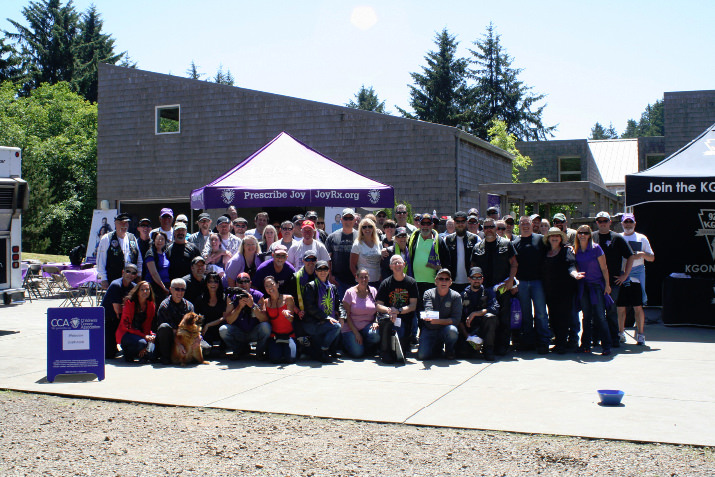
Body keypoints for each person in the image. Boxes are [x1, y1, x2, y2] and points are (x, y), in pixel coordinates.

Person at [470, 217, 517, 356]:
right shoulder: (477, 247)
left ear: (496, 228)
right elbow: (472, 267)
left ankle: (502, 346)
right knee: (487, 318)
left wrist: (511, 280)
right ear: (482, 229)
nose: (489, 229)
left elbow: (514, 263)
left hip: (502, 287)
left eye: (491, 226)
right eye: (486, 227)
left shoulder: (506, 244)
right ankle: (487, 344)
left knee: (504, 318)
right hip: (484, 289)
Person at [592, 211, 634, 348]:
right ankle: (597, 338)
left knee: (611, 311)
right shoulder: (592, 237)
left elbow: (631, 256)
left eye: (605, 221)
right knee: (597, 311)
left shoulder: (617, 238)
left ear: (610, 222)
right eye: (600, 221)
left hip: (614, 282)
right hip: (596, 281)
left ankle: (613, 338)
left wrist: (625, 275)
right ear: (597, 223)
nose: (603, 223)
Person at [512, 216, 549, 354]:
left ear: (532, 224)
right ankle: (528, 341)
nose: (525, 226)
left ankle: (544, 341)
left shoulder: (540, 239)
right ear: (519, 225)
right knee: (526, 314)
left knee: (540, 313)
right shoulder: (515, 242)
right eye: (522, 224)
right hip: (522, 282)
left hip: (538, 282)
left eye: (527, 223)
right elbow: (513, 264)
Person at [574, 224, 612, 356]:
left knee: (600, 316)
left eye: (585, 233)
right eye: (580, 233)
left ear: (590, 235)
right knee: (586, 316)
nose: (582, 235)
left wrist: (607, 285)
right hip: (583, 286)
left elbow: (604, 268)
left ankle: (606, 345)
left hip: (596, 286)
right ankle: (585, 345)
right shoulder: (576, 250)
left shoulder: (596, 248)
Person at [617, 212, 654, 346]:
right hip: (621, 273)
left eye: (630, 222)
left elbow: (652, 258)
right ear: (621, 224)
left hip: (637, 274)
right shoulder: (618, 237)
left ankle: (641, 334)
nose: (628, 224)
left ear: (634, 223)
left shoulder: (641, 238)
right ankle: (620, 332)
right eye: (625, 222)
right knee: (620, 306)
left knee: (638, 306)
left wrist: (642, 254)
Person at [542, 228, 579, 354]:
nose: (554, 238)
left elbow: (571, 265)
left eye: (557, 236)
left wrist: (574, 274)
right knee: (553, 318)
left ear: (561, 238)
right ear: (548, 238)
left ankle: (562, 345)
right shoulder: (545, 251)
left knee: (564, 318)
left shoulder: (566, 250)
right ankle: (558, 342)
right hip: (549, 291)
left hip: (564, 291)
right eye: (552, 236)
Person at [376, 255, 418, 361]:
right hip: (389, 317)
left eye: (399, 262)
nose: (397, 265)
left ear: (404, 264)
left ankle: (399, 349)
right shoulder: (386, 283)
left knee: (399, 351)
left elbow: (413, 305)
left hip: (405, 318)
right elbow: (378, 305)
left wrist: (398, 311)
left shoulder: (411, 282)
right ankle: (385, 351)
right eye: (394, 263)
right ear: (390, 266)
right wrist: (390, 311)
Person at [220, 273, 270, 360]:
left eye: (246, 281)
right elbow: (229, 321)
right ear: (236, 283)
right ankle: (239, 350)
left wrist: (253, 306)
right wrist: (239, 307)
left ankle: (259, 352)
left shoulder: (258, 295)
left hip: (254, 331)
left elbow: (264, 319)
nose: (243, 284)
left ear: (250, 283)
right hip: (239, 332)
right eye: (240, 282)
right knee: (223, 330)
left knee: (266, 327)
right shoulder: (231, 296)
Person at [302, 260, 341, 362]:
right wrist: (325, 317)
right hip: (313, 322)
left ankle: (331, 350)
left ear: (329, 271)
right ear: (315, 272)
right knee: (336, 326)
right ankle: (323, 350)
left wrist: (342, 315)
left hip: (326, 321)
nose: (323, 272)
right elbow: (309, 307)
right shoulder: (310, 286)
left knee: (338, 322)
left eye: (325, 269)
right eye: (320, 269)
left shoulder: (332, 287)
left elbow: (339, 304)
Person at [418, 269, 461, 360]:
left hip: (446, 329)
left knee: (452, 330)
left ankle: (449, 350)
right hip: (430, 329)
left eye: (446, 279)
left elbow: (456, 320)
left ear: (450, 282)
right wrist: (432, 318)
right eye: (441, 279)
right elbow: (428, 311)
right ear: (436, 281)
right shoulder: (428, 293)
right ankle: (437, 346)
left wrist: (436, 321)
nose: (444, 281)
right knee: (422, 356)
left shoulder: (456, 296)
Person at [458, 267, 500, 361]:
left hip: (484, 329)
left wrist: (475, 313)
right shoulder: (462, 295)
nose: (476, 280)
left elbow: (495, 308)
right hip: (469, 332)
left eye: (479, 277)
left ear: (482, 279)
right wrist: (467, 336)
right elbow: (458, 318)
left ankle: (488, 349)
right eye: (474, 277)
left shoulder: (488, 292)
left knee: (490, 317)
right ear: (469, 279)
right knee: (462, 352)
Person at [341, 269, 381, 358]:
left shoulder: (373, 291)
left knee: (375, 335)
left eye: (366, 277)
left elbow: (378, 310)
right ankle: (348, 344)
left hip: (367, 327)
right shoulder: (349, 292)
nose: (364, 280)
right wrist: (356, 333)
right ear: (357, 278)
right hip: (351, 329)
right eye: (361, 277)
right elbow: (346, 316)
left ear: (369, 278)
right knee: (357, 354)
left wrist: (376, 321)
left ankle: (365, 346)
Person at [101, 264, 138, 359]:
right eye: (128, 271)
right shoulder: (115, 285)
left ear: (136, 276)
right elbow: (117, 310)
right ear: (123, 272)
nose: (130, 274)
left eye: (133, 273)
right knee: (108, 355)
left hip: (122, 319)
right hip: (109, 320)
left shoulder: (134, 287)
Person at [155, 278, 195, 364]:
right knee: (164, 327)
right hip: (171, 338)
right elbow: (173, 331)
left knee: (206, 349)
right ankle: (165, 357)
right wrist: (179, 345)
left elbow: (193, 326)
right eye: (177, 289)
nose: (180, 292)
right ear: (170, 289)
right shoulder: (164, 306)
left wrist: (197, 339)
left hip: (185, 336)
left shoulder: (189, 306)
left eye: (182, 289)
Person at [97, 213, 142, 289]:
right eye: (121, 223)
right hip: (114, 279)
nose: (124, 225)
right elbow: (101, 260)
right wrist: (103, 279)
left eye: (126, 223)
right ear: (115, 223)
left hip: (131, 280)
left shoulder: (132, 238)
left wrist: (139, 274)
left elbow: (139, 259)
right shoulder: (107, 238)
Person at [116, 281, 156, 363]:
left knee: (152, 345)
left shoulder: (151, 304)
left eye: (147, 289)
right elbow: (126, 326)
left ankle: (142, 353)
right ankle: (128, 354)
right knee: (142, 343)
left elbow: (148, 324)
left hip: (142, 335)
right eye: (142, 290)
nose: (145, 292)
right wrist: (144, 337)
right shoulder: (129, 303)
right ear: (137, 291)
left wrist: (148, 337)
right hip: (127, 334)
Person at [326, 208, 358, 306]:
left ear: (354, 220)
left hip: (356, 280)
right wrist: (330, 275)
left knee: (355, 309)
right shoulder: (332, 237)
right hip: (338, 281)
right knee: (339, 309)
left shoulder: (360, 236)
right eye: (345, 218)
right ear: (341, 220)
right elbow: (328, 259)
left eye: (350, 218)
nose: (348, 221)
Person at [262, 275, 297, 363]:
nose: (270, 288)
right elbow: (264, 319)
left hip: (289, 335)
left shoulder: (288, 298)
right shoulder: (265, 302)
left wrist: (288, 315)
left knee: (290, 359)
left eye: (272, 284)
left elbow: (291, 319)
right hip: (274, 336)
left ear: (277, 285)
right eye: (267, 286)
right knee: (275, 359)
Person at [445, 211, 480, 293]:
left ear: (466, 223)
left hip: (470, 282)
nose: (460, 224)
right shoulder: (447, 240)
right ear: (454, 223)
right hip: (452, 283)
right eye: (458, 222)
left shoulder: (476, 239)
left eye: (462, 221)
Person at [195, 271, 227, 356]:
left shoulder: (224, 298)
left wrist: (208, 325)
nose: (213, 284)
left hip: (219, 328)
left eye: (216, 281)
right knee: (206, 350)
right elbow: (196, 317)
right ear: (206, 283)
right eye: (210, 281)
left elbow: (225, 317)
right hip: (206, 331)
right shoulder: (200, 299)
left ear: (219, 283)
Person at [350, 218, 382, 289]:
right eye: (364, 227)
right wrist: (359, 279)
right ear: (361, 229)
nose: (367, 229)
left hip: (377, 281)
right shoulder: (357, 244)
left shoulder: (378, 243)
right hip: (363, 282)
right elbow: (352, 265)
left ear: (373, 228)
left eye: (370, 226)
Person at [144, 230, 171, 300]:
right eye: (158, 239)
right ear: (154, 240)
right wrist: (163, 287)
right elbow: (154, 274)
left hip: (166, 285)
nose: (160, 241)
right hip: (155, 287)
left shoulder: (165, 253)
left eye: (162, 239)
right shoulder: (150, 254)